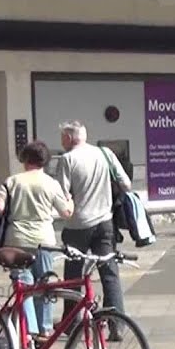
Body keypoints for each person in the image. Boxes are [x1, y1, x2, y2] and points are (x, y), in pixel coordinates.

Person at [0, 141, 74, 343]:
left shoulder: (12, 181)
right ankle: (45, 329)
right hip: (43, 240)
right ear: (44, 161)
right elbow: (66, 212)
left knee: (23, 286)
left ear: (25, 159)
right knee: (43, 285)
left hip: (16, 240)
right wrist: (69, 200)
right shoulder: (51, 183)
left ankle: (28, 330)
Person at [50, 120, 131, 328]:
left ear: (69, 138)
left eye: (62, 137)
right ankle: (117, 325)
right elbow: (126, 184)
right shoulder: (105, 153)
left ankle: (71, 322)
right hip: (105, 223)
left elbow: (61, 193)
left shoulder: (67, 159)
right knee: (109, 272)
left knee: (74, 276)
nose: (61, 141)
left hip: (78, 225)